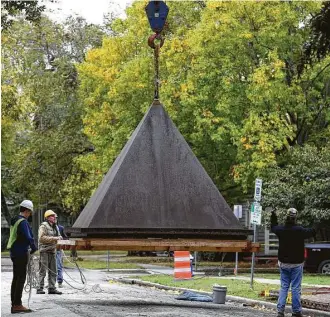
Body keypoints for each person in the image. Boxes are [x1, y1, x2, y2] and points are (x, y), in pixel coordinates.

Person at [271, 208, 315, 317]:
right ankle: (296, 311)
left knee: (284, 286)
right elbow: (313, 231)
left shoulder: (281, 230)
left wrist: (273, 215)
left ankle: (280, 311)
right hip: (296, 263)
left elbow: (273, 227)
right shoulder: (300, 230)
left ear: (286, 216)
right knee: (295, 287)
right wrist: (313, 218)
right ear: (296, 218)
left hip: (283, 263)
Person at [7, 199, 37, 314]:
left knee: (16, 278)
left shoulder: (14, 220)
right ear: (26, 210)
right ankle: (17, 305)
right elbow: (29, 237)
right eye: (29, 212)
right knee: (21, 278)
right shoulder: (23, 222)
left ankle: (14, 303)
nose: (29, 215)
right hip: (20, 253)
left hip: (14, 252)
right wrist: (34, 248)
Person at [37, 210, 63, 295]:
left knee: (53, 270)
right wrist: (55, 238)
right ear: (48, 217)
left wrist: (60, 239)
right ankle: (40, 288)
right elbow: (41, 238)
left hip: (53, 251)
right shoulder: (43, 226)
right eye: (52, 216)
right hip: (44, 251)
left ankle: (52, 288)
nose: (55, 217)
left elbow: (59, 237)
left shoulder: (56, 227)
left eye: (55, 216)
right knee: (43, 270)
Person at [55, 215, 67, 288]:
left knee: (59, 266)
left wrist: (62, 240)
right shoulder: (47, 228)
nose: (54, 219)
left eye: (56, 218)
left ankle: (60, 281)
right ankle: (51, 283)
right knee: (51, 267)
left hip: (58, 250)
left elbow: (65, 237)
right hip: (50, 249)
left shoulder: (61, 228)